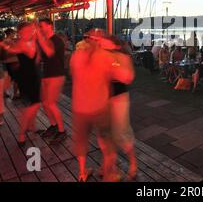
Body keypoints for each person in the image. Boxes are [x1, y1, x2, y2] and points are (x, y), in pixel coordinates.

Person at [70, 29, 134, 182]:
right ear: (98, 41)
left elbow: (74, 73)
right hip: (99, 106)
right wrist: (117, 60)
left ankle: (82, 172)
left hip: (80, 107)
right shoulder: (104, 57)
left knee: (81, 142)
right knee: (107, 141)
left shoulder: (76, 56)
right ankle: (109, 175)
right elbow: (126, 77)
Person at [100, 35, 137, 181]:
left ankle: (133, 163)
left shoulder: (122, 57)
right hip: (101, 98)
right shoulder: (99, 57)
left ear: (114, 45)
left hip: (118, 98)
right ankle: (108, 166)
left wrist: (112, 68)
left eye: (104, 42)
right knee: (104, 135)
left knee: (121, 133)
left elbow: (128, 77)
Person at [0, 23, 42, 145]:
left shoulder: (28, 42)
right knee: (31, 107)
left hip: (32, 76)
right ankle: (22, 134)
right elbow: (26, 53)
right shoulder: (23, 43)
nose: (31, 31)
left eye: (31, 30)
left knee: (34, 104)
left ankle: (31, 127)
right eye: (28, 30)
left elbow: (36, 58)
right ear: (21, 32)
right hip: (28, 79)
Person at [37, 19, 67, 143]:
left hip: (56, 75)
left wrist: (38, 36)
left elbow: (49, 52)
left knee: (50, 103)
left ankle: (61, 131)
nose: (40, 28)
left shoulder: (57, 40)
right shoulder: (45, 41)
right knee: (44, 103)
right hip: (47, 74)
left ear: (50, 26)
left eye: (41, 26)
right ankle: (54, 125)